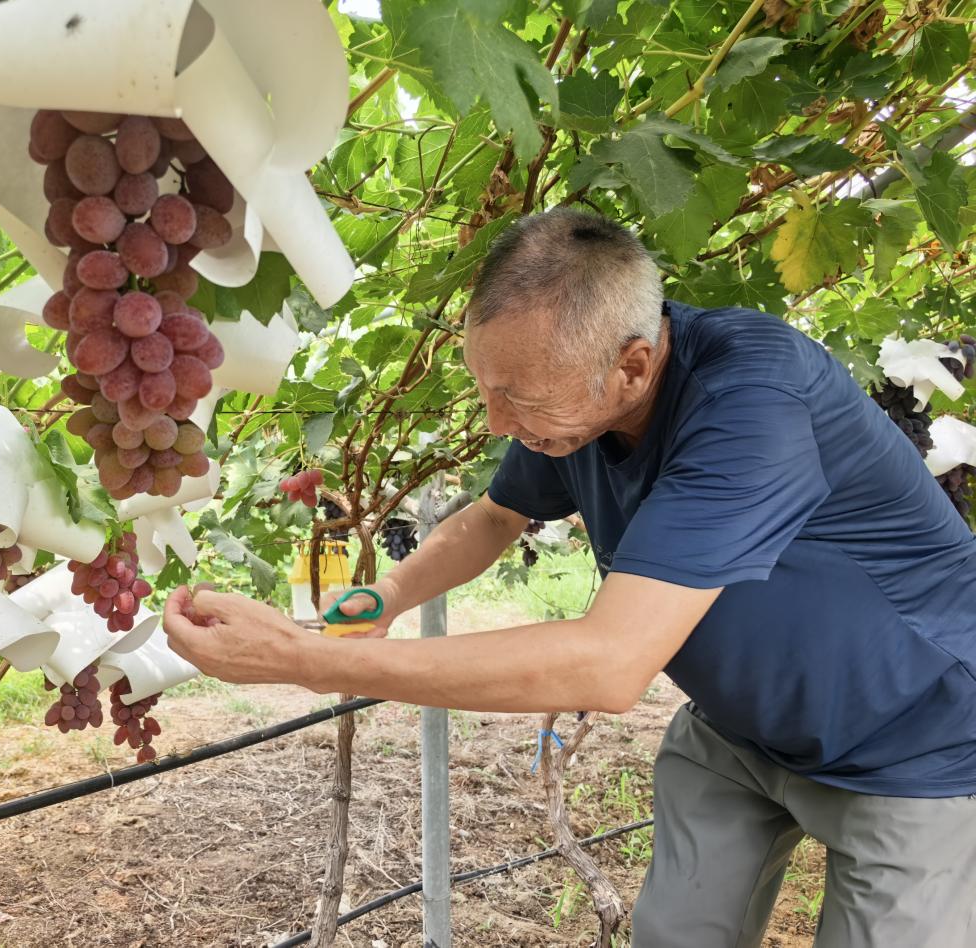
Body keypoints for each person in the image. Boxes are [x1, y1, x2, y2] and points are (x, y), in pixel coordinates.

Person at [161, 209, 976, 946]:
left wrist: (303, 662)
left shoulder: (753, 402)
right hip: (740, 730)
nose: (496, 424)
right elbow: (494, 517)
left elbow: (608, 664)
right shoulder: (577, 404)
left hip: (913, 745)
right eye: (487, 392)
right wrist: (381, 600)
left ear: (632, 363)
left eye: (515, 399)